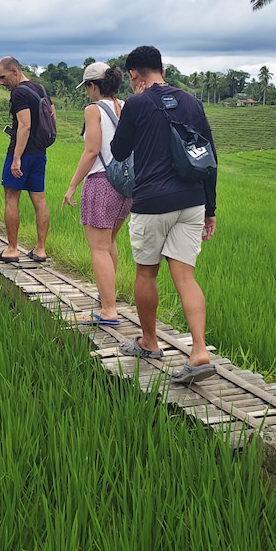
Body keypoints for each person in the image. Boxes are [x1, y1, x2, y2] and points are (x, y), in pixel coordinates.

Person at [110, 45, 217, 385]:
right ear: (162, 69)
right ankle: (199, 351)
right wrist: (210, 210)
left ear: (133, 75)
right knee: (185, 276)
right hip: (192, 199)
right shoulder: (192, 102)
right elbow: (210, 156)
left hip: (153, 201)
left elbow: (119, 151)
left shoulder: (137, 103)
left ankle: (150, 342)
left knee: (146, 273)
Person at [62, 62, 132, 324]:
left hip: (101, 182)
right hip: (125, 185)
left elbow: (92, 150)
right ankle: (107, 299)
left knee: (98, 248)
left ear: (93, 85)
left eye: (87, 87)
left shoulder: (93, 110)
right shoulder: (126, 106)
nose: (87, 93)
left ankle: (108, 310)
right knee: (109, 243)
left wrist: (72, 185)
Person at [0, 56, 54, 263]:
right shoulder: (41, 89)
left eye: (3, 77)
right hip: (40, 153)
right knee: (39, 199)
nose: (1, 82)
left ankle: (12, 249)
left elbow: (25, 125)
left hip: (21, 153)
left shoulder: (19, 93)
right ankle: (40, 249)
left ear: (14, 71)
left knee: (11, 197)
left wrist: (17, 158)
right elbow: (52, 116)